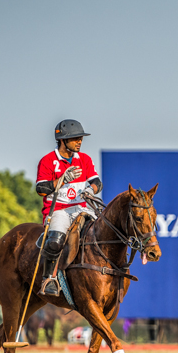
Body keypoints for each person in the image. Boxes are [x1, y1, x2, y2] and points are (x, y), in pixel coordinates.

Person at [35, 119, 102, 297]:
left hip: (81, 207)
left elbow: (97, 182)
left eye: (80, 138)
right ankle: (49, 278)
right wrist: (62, 179)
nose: (79, 141)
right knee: (56, 240)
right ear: (63, 140)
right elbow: (40, 189)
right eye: (75, 138)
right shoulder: (48, 161)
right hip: (58, 210)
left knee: (103, 231)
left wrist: (90, 189)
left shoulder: (84, 159)